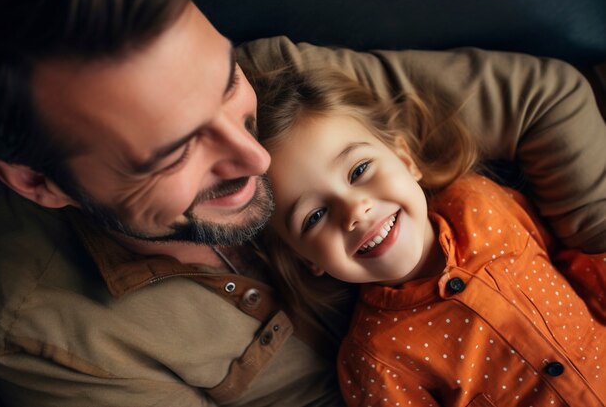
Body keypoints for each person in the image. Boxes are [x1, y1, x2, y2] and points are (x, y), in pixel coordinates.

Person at [0, 0, 605, 406]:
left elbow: (543, 100)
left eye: (226, 84)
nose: (257, 159)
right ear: (39, 183)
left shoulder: (279, 81)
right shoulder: (46, 340)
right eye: (174, 152)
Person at [254, 68, 606, 407]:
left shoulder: (479, 202)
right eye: (315, 216)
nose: (355, 210)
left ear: (405, 160)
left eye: (359, 170)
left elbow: (566, 263)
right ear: (308, 259)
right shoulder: (376, 360)